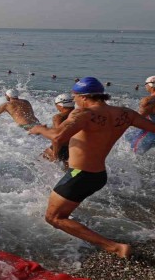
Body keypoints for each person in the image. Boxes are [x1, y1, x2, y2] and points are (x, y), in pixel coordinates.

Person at [29, 77, 155, 258]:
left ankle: (114, 247)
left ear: (84, 97)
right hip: (98, 175)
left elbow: (57, 137)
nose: (75, 102)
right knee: (62, 211)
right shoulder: (125, 113)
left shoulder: (84, 115)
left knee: (54, 218)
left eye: (75, 98)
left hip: (80, 175)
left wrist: (39, 129)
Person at [41, 94, 75, 167]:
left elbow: (57, 137)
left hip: (61, 147)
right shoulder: (80, 114)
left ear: (61, 105)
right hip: (75, 147)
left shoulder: (58, 117)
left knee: (39, 162)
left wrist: (55, 154)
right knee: (70, 171)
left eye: (56, 104)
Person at [126, 75, 155, 155]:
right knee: (128, 136)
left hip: (151, 132)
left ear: (150, 85)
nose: (145, 86)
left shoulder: (148, 101)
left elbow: (138, 118)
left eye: (146, 84)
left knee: (133, 153)